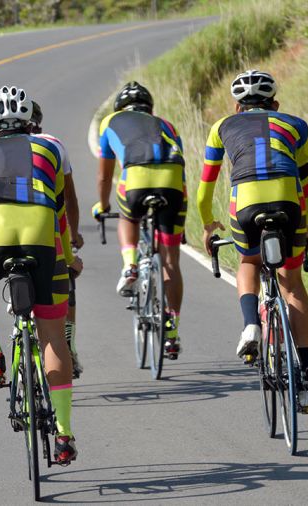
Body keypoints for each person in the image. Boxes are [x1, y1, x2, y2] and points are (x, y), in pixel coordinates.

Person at [0, 85, 79, 462]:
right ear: (30, 125)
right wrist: (69, 257)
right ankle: (64, 435)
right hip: (43, 239)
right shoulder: (51, 148)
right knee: (54, 337)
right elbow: (59, 213)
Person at [198, 70, 308, 410]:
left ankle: (251, 324)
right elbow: (306, 186)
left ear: (237, 107)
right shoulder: (297, 125)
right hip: (287, 201)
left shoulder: (221, 126)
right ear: (276, 104)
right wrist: (305, 227)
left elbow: (205, 187)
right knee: (291, 284)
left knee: (249, 261)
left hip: (246, 202)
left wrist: (208, 225)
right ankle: (306, 380)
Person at [93, 81, 187, 358]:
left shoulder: (109, 122)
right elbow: (181, 168)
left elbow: (103, 175)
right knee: (171, 261)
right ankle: (171, 333)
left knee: (128, 217)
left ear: (119, 108)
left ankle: (131, 266)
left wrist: (103, 204)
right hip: (172, 183)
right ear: (150, 108)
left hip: (135, 180)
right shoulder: (167, 125)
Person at [27, 101, 84, 379]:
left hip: (3, 237)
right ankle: (68, 345)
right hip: (49, 230)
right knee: (66, 279)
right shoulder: (53, 145)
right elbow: (67, 199)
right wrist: (73, 236)